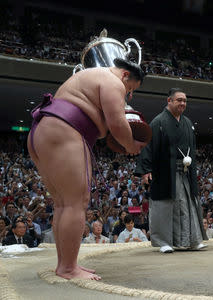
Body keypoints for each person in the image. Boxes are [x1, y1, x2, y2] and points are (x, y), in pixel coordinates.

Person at [26, 58, 147, 280]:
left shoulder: (91, 76)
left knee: (64, 204)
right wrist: (131, 146)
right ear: (125, 75)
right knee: (75, 202)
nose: (128, 94)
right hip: (64, 130)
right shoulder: (112, 80)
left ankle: (65, 265)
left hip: (44, 132)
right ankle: (69, 268)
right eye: (130, 89)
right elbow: (117, 123)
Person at [135, 88, 207, 253]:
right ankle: (163, 242)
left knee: (188, 204)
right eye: (179, 100)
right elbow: (148, 147)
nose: (182, 103)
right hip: (165, 172)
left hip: (186, 171)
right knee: (164, 205)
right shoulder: (158, 122)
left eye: (185, 101)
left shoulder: (187, 123)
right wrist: (146, 170)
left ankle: (192, 240)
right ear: (169, 101)